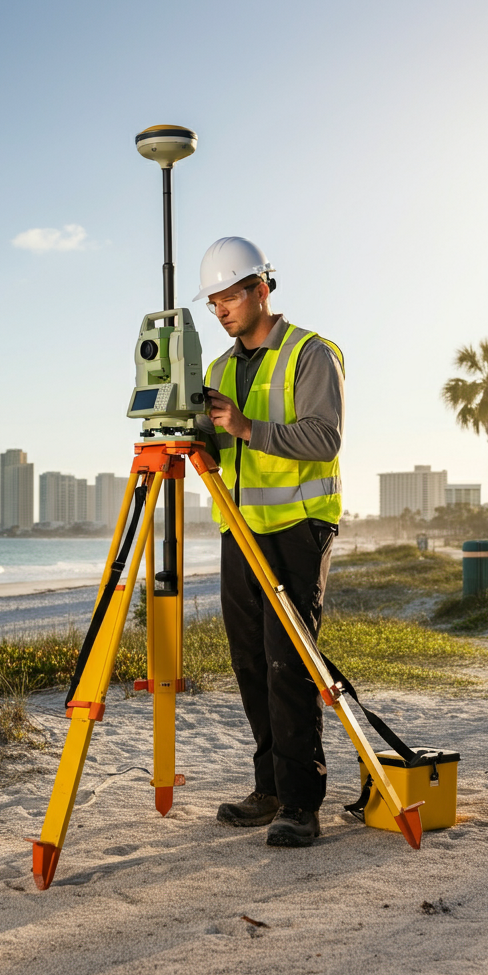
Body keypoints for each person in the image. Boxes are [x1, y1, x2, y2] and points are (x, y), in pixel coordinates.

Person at [193, 236, 344, 848]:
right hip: (241, 528)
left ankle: (302, 805)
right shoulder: (217, 369)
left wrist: (247, 427)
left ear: (261, 289)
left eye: (229, 295)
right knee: (251, 663)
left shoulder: (310, 353)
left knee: (290, 664)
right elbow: (224, 450)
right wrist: (198, 438)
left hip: (299, 528)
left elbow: (322, 439)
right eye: (213, 301)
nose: (222, 309)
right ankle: (271, 788)